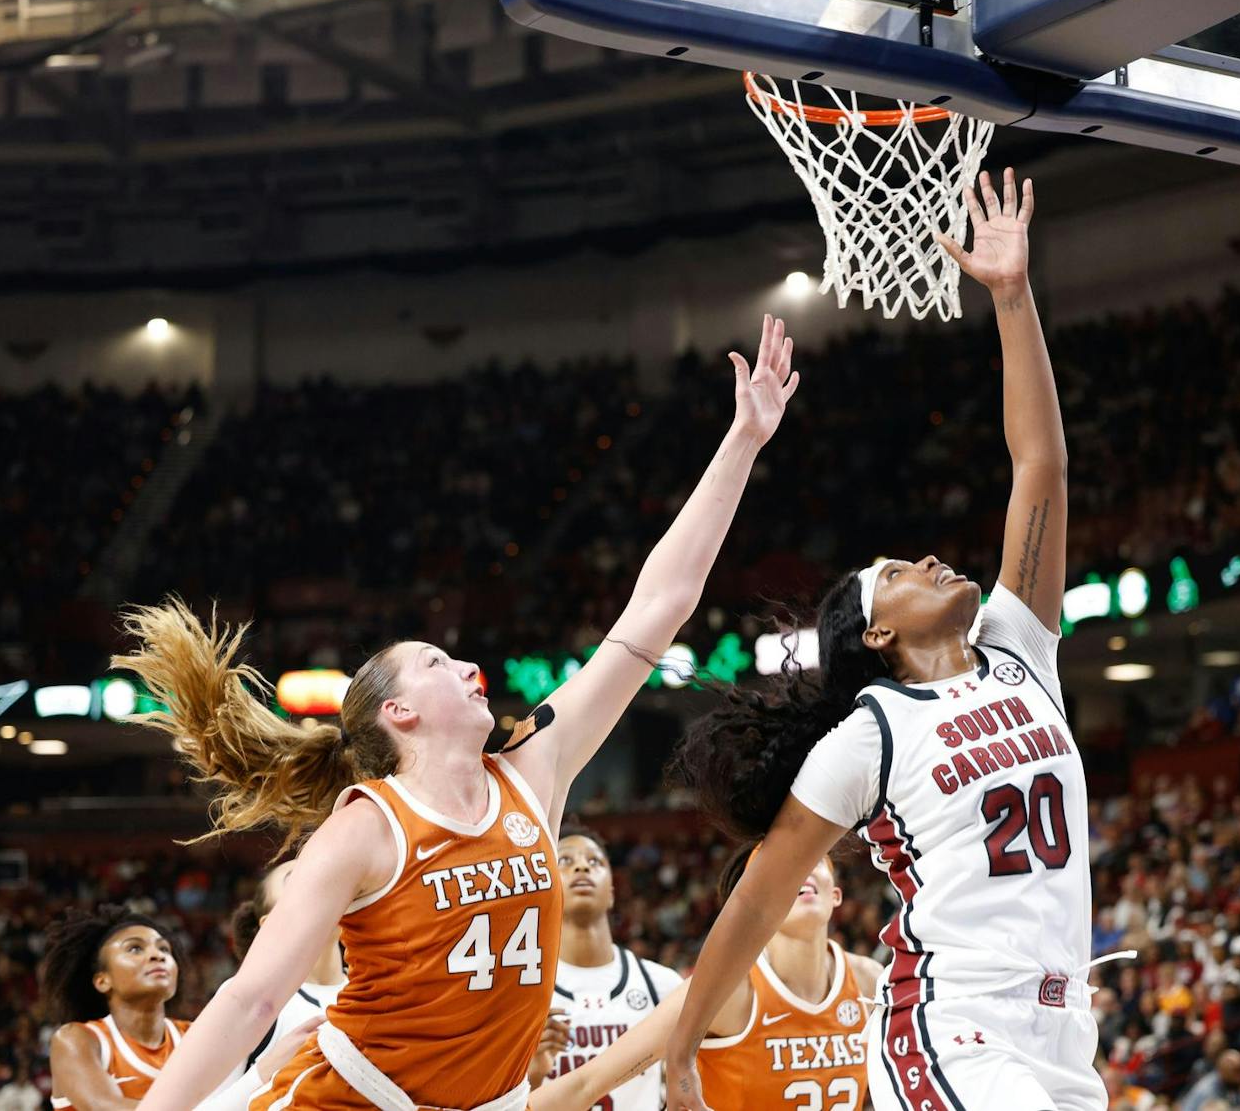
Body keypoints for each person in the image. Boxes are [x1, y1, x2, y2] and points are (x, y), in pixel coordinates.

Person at [115, 314, 800, 1111]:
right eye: (438, 661)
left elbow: (660, 605)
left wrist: (743, 441)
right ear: (398, 710)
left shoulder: (533, 773)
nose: (471, 666)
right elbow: (249, 1001)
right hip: (351, 1099)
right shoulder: (365, 828)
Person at [664, 169, 1119, 1111]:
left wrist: (1012, 296)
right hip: (951, 1028)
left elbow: (1040, 463)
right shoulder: (867, 734)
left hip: (1063, 1027)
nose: (924, 557)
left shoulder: (1019, 647)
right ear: (875, 630)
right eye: (898, 570)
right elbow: (756, 897)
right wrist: (679, 1052)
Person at [530, 848, 881, 1111]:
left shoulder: (870, 982)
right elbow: (588, 1082)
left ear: (837, 894)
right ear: (755, 900)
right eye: (778, 864)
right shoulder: (727, 991)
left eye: (814, 859)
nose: (799, 868)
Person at [529, 827, 684, 1109]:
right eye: (564, 860)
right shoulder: (524, 992)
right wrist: (533, 1073)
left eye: (595, 861)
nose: (581, 865)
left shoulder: (662, 984)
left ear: (612, 891)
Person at [197, 859, 347, 1108]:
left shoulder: (380, 989)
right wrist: (265, 1072)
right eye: (296, 877)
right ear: (270, 924)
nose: (324, 881)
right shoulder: (246, 995)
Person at [41, 905, 188, 1110]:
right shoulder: (77, 1039)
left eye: (164, 948)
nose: (157, 955)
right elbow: (106, 1107)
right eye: (135, 948)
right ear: (103, 981)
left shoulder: (193, 1034)